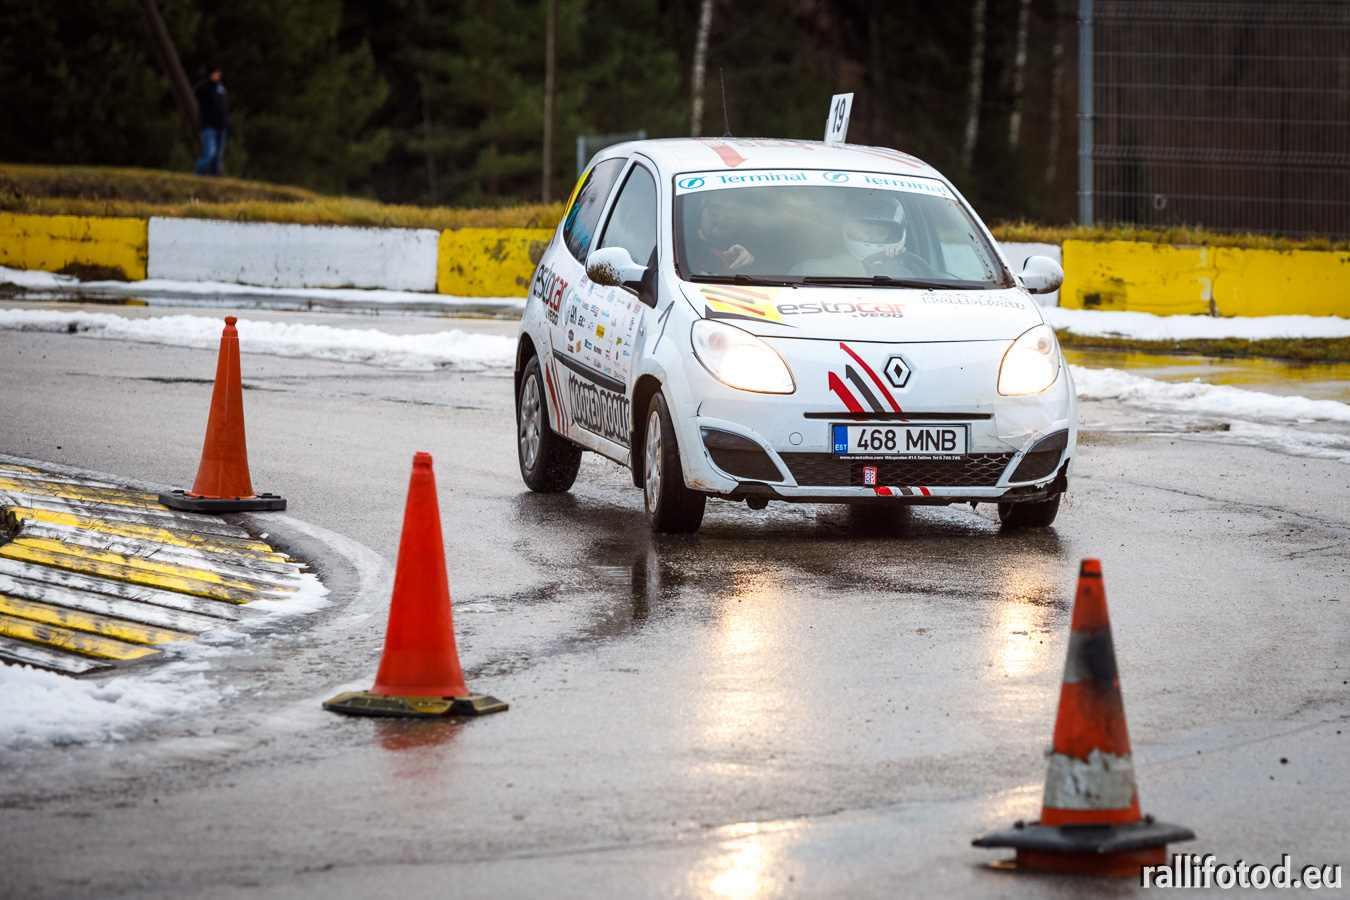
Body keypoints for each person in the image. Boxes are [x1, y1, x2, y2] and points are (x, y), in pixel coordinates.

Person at [685, 193, 755, 275]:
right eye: (715, 209)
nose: (723, 218)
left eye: (732, 211)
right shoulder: (680, 248)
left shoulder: (751, 249)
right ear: (701, 209)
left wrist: (749, 265)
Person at [193, 65, 229, 176]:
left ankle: (214, 179)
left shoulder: (221, 88)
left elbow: (224, 108)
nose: (218, 76)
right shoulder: (205, 88)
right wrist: (206, 79)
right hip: (209, 127)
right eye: (215, 73)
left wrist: (228, 124)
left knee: (217, 158)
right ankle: (197, 175)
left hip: (221, 127)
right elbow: (197, 91)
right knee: (210, 153)